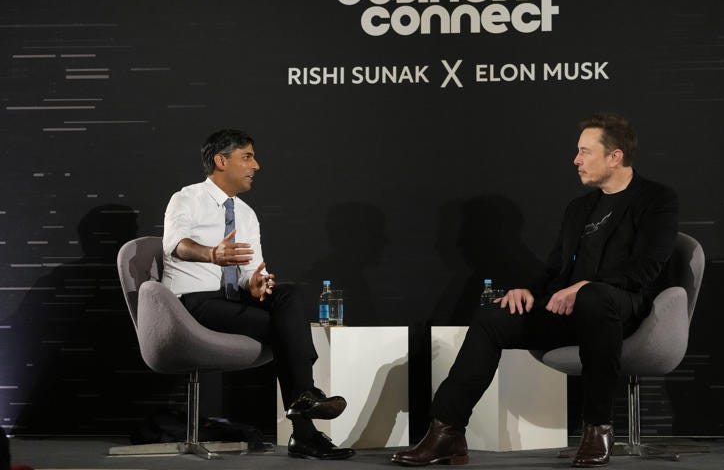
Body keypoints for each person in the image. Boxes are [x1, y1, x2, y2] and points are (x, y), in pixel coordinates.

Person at [392, 113, 678, 468]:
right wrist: (527, 291)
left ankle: (597, 428)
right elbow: (555, 268)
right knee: (493, 316)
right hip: (570, 310)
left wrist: (585, 285)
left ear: (615, 156)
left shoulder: (656, 199)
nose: (576, 160)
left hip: (621, 308)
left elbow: (646, 267)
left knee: (593, 297)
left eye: (585, 152)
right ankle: (446, 431)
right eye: (578, 152)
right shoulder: (580, 208)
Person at [161, 129, 354, 460]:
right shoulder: (186, 199)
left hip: (233, 298)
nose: (257, 165)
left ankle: (304, 402)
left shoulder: (246, 214)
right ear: (221, 161)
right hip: (192, 302)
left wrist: (256, 282)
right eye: (247, 157)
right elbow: (175, 245)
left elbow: (253, 269)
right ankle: (305, 424)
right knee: (286, 331)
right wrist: (212, 255)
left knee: (290, 294)